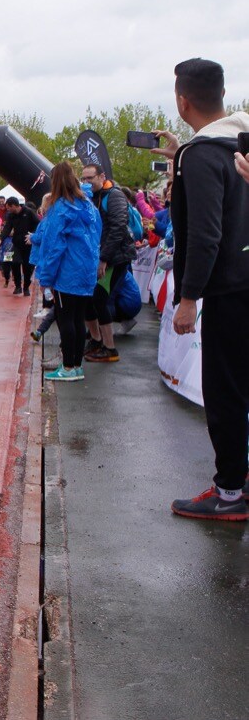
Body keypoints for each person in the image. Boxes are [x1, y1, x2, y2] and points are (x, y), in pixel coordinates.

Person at [157, 58, 249, 521]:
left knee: (225, 390)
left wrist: (189, 297)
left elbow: (205, 233)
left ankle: (230, 491)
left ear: (182, 100)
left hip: (228, 290)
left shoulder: (200, 155)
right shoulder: (237, 144)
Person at [29, 162, 101, 382]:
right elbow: (97, 236)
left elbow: (53, 246)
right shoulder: (88, 205)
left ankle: (68, 366)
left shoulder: (60, 208)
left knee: (65, 319)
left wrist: (46, 277)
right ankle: (75, 365)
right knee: (78, 319)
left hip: (67, 272)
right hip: (85, 271)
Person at [78, 163, 136, 364]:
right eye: (83, 179)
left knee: (99, 299)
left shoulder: (115, 195)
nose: (86, 182)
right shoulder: (91, 197)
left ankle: (109, 348)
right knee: (90, 300)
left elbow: (118, 227)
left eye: (89, 178)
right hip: (99, 256)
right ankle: (96, 340)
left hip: (115, 258)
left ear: (101, 176)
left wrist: (104, 259)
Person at [1, 197, 37, 295]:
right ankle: (18, 286)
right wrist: (0, 238)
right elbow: (7, 228)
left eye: (8, 208)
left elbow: (38, 224)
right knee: (15, 263)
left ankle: (26, 287)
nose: (7, 210)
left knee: (27, 267)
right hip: (16, 243)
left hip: (27, 243)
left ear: (14, 206)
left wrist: (33, 235)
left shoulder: (29, 212)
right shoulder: (11, 215)